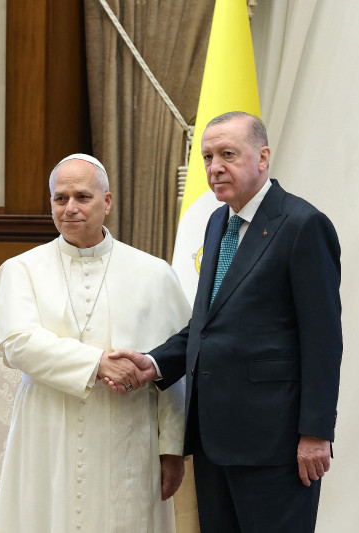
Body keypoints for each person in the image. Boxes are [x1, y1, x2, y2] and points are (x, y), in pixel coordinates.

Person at [109, 111, 343, 532]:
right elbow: (208, 324)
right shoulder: (219, 221)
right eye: (207, 157)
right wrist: (156, 363)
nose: (215, 167)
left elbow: (323, 340)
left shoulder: (303, 225)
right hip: (214, 440)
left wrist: (315, 433)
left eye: (228, 154)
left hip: (277, 443)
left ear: (263, 157)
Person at [0, 154, 192, 533]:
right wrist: (97, 363)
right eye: (60, 198)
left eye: (82, 197)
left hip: (127, 435)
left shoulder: (154, 274)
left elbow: (174, 370)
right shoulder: (21, 269)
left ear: (106, 202)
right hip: (47, 431)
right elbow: (18, 344)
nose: (70, 208)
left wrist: (171, 448)